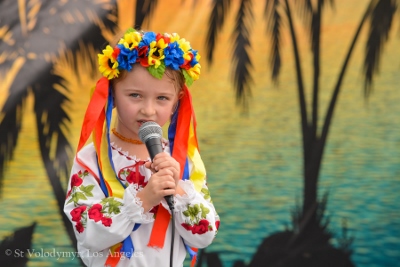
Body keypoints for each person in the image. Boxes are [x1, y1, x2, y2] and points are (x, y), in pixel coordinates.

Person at [64, 28, 220, 267]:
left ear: (177, 101)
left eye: (162, 98)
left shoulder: (183, 160)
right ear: (113, 94)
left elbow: (204, 235)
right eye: (135, 95)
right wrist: (144, 198)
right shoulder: (91, 160)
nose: (148, 110)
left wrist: (176, 188)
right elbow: (87, 233)